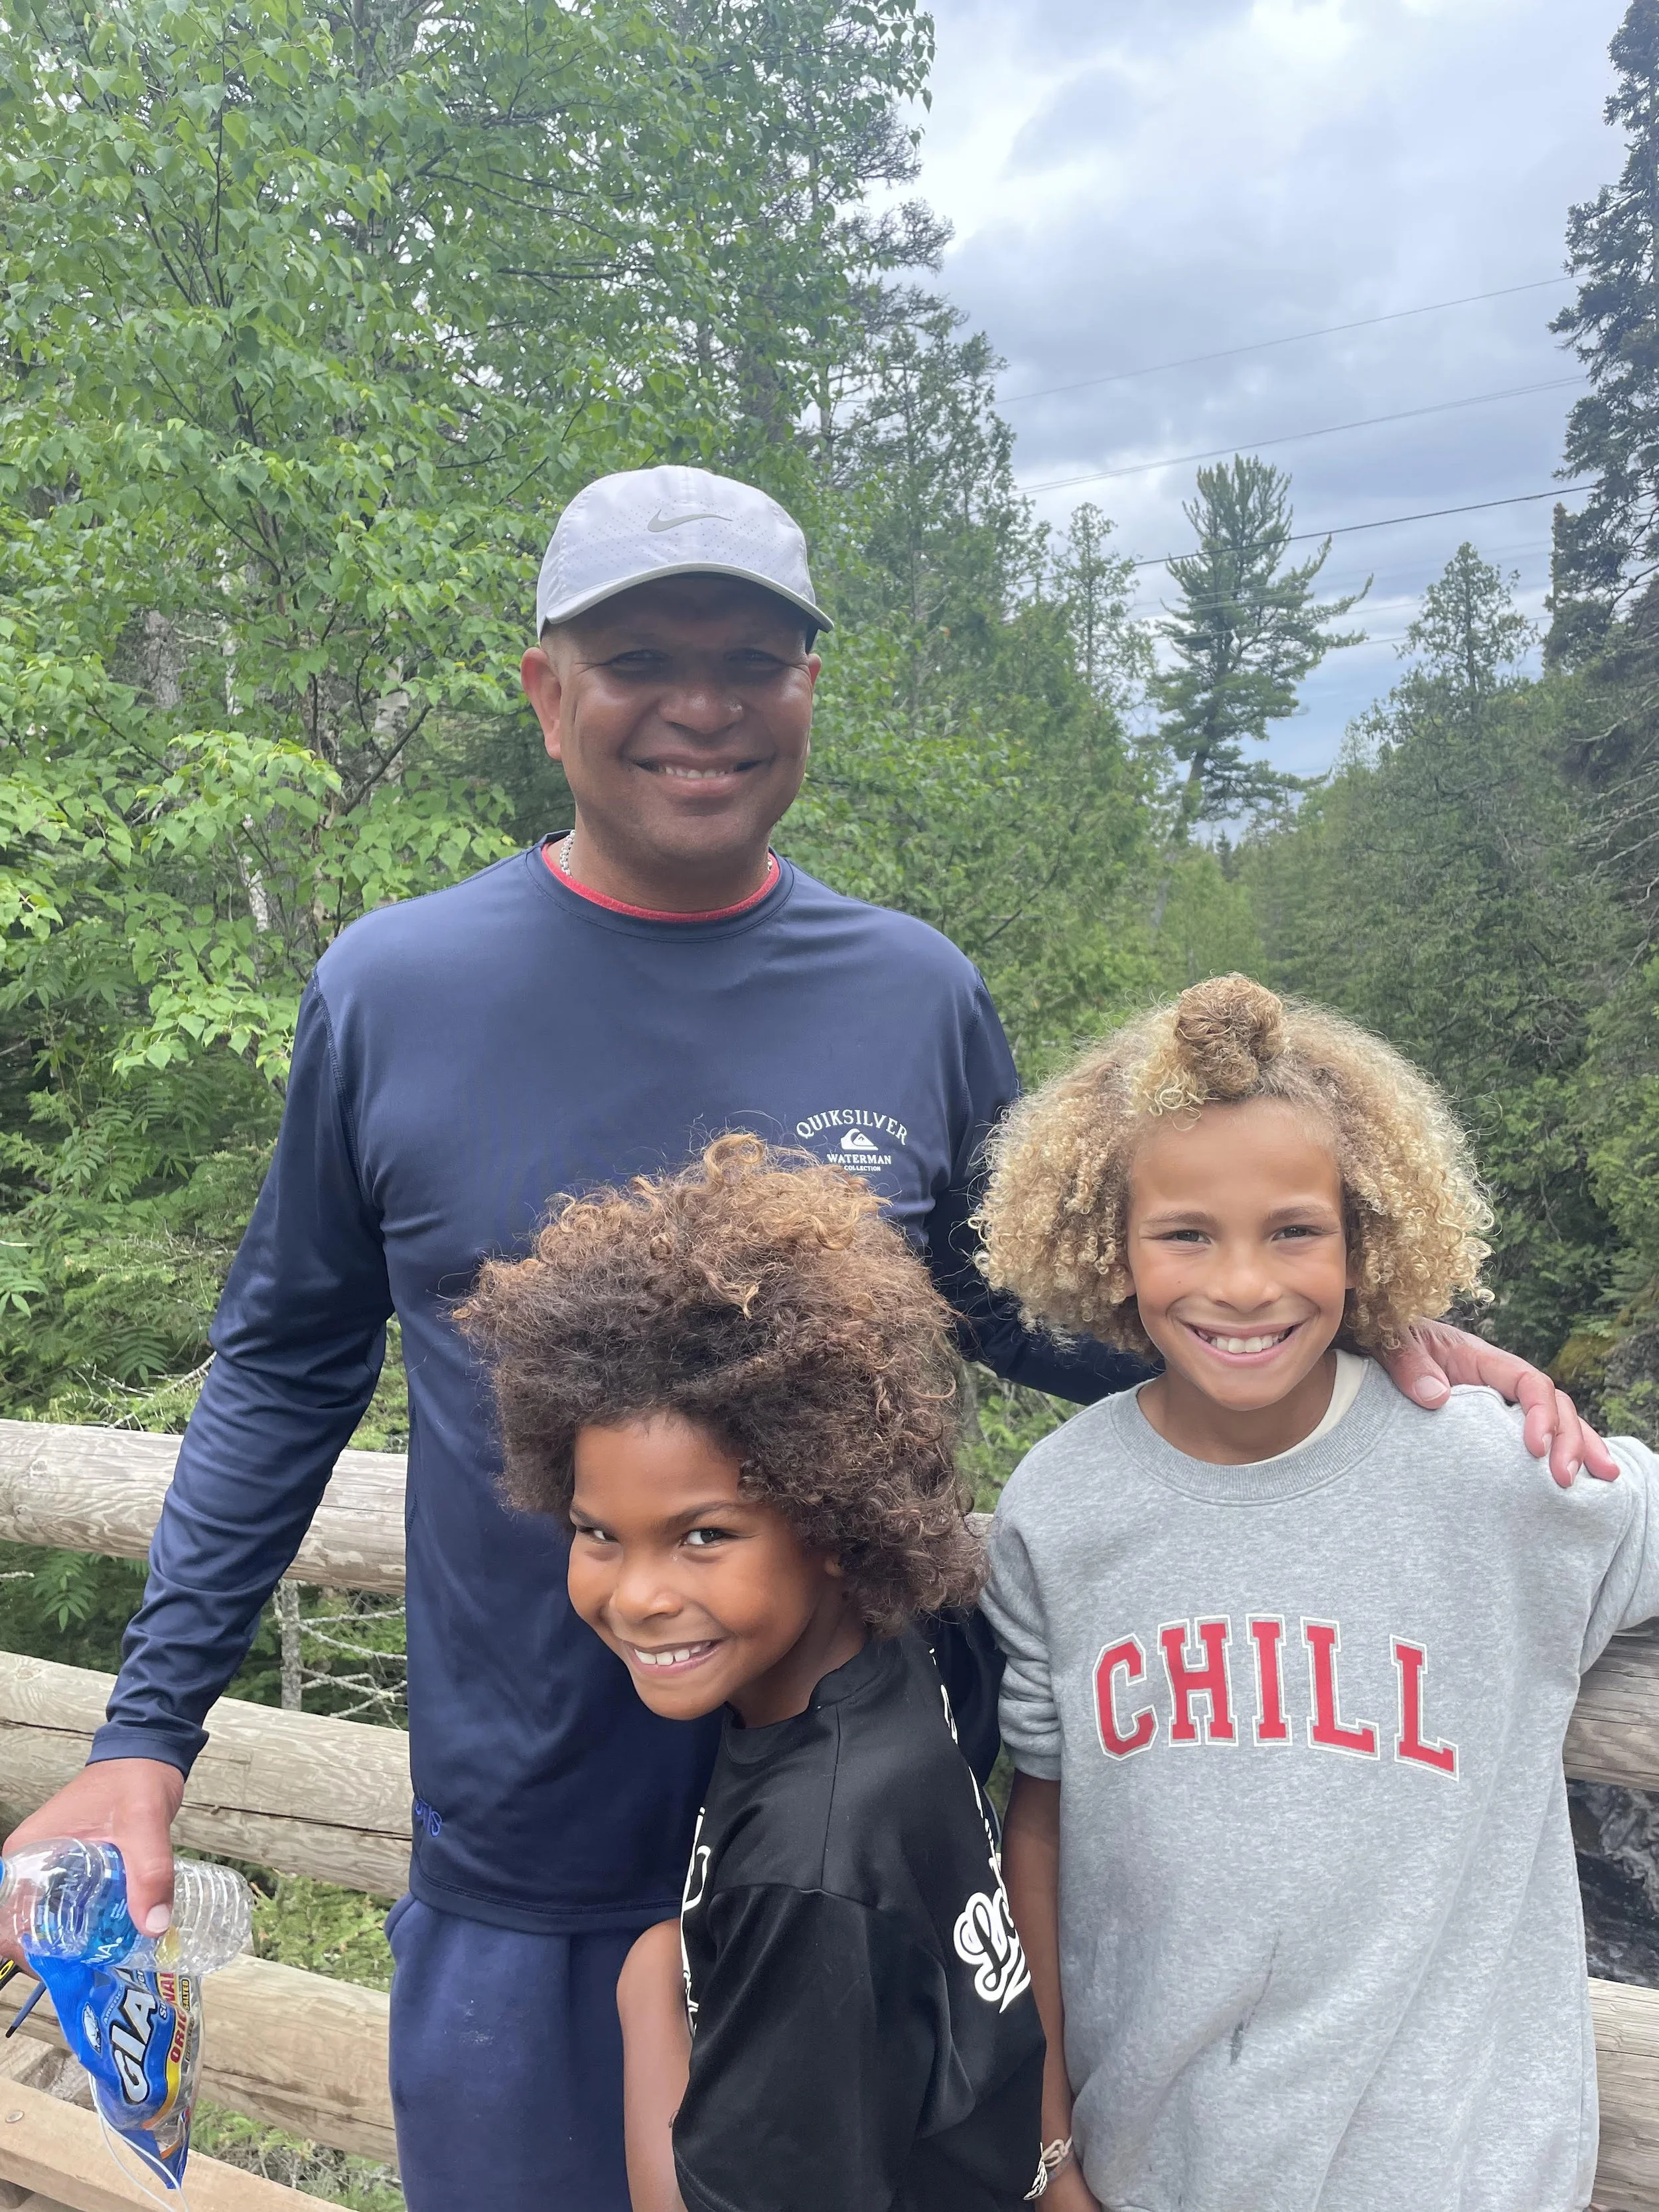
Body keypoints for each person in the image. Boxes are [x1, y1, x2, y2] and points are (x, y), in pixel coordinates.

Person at [1, 467, 1611, 2212]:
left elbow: (1039, 1302)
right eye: (639, 656)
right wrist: (145, 1736)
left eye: (751, 656)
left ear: (807, 695)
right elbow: (284, 1365)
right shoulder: (393, 991)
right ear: (547, 692)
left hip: (876, 1846)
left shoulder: (909, 989)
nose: (701, 700)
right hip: (535, 1849)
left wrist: (1359, 1337)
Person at [977, 974, 1658, 2212]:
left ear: (1371, 1239)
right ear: (1105, 1247)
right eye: (1186, 1233)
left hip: (1463, 2172)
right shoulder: (1061, 1508)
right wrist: (1053, 2146)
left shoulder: (1507, 1481)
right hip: (1155, 2167)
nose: (1243, 1286)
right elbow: (1041, 1825)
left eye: (1296, 1231)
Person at [457, 1133, 1047, 2212]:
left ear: (830, 1518)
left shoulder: (812, 1869)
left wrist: (649, 1993)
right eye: (599, 1534)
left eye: (703, 1536)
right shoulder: (894, 1662)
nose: (636, 1594)